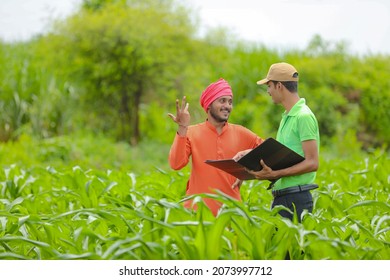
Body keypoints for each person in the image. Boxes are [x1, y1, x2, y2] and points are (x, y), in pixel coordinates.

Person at [234, 62, 320, 222]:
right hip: (283, 198)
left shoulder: (303, 117)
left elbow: (312, 162)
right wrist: (250, 157)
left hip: (296, 199)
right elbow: (283, 157)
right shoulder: (287, 116)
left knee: (292, 247)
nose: (268, 91)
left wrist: (275, 174)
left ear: (279, 86)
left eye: (269, 86)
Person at [168, 78, 264, 216]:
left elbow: (271, 152)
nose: (227, 106)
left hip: (232, 215)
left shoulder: (241, 133)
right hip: (197, 215)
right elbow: (176, 164)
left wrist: (248, 162)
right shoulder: (191, 133)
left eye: (230, 102)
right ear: (208, 105)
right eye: (222, 101)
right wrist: (182, 127)